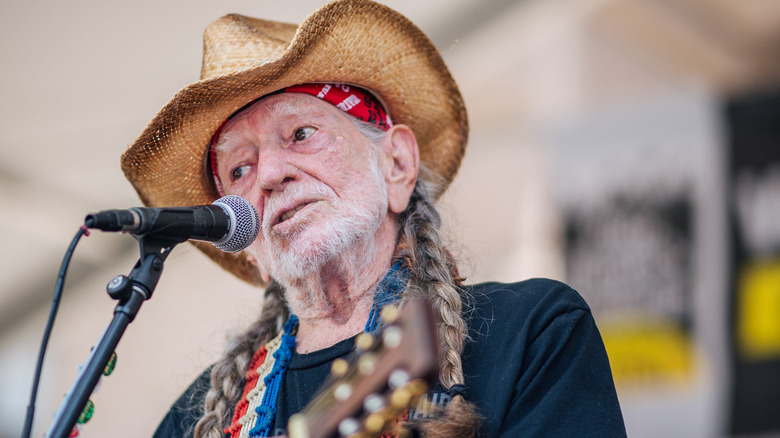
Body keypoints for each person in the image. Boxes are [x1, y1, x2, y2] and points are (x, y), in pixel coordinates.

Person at [121, 0, 627, 436]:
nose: (270, 174)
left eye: (300, 134)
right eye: (240, 168)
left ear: (397, 163)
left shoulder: (531, 332)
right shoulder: (197, 420)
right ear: (245, 243)